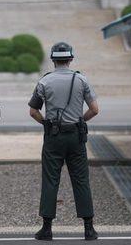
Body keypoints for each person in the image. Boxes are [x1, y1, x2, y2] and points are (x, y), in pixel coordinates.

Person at [28, 42, 99, 241]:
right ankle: (88, 229)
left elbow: (33, 111)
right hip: (76, 136)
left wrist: (46, 123)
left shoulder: (45, 82)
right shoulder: (81, 79)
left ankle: (47, 229)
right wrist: (80, 121)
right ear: (70, 59)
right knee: (81, 179)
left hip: (53, 137)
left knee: (51, 180)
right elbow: (95, 109)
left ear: (52, 59)